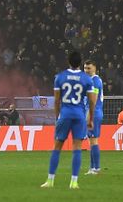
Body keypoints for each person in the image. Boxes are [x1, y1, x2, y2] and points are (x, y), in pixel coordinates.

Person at [41, 51, 97, 190]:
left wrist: (57, 117)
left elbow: (56, 101)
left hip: (65, 115)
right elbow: (91, 101)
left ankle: (50, 180)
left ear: (68, 61)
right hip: (79, 115)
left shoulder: (60, 77)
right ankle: (74, 182)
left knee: (57, 147)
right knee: (77, 148)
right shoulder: (86, 79)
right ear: (80, 63)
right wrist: (90, 119)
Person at [83, 59, 104, 175]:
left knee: (94, 140)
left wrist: (89, 116)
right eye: (85, 68)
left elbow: (93, 100)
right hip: (92, 113)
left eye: (89, 68)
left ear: (95, 68)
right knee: (91, 141)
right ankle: (92, 168)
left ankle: (96, 168)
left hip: (94, 113)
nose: (86, 70)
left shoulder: (95, 81)